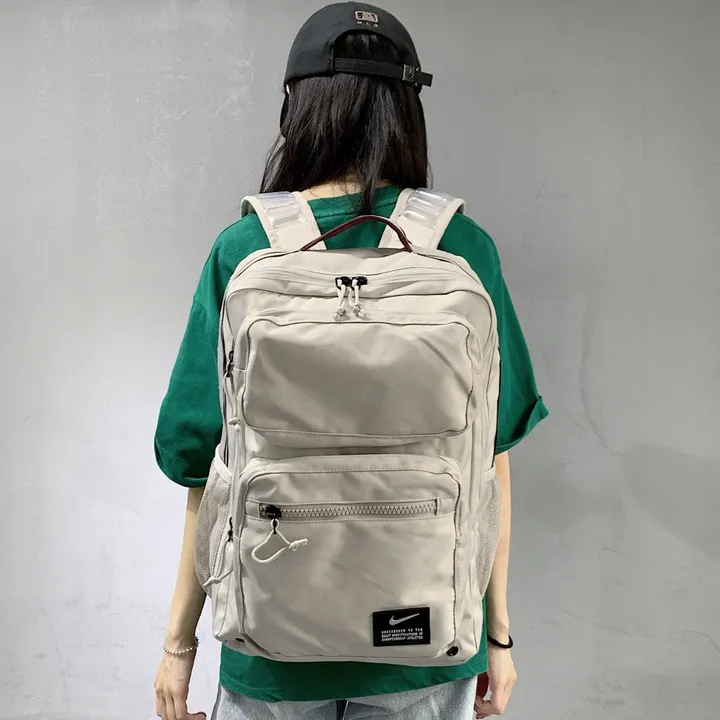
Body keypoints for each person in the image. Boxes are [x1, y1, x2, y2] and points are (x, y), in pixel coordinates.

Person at [153, 3, 548, 719]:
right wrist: (499, 635)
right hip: (427, 641)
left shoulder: (245, 251)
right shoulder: (462, 248)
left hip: (267, 645)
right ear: (407, 109)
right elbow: (491, 461)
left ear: (294, 104)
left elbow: (202, 468)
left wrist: (178, 647)